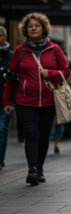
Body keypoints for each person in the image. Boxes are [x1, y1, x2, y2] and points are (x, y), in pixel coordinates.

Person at [2, 12, 70, 185]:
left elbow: (66, 71)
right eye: (30, 26)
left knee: (43, 135)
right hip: (25, 101)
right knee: (31, 134)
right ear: (26, 29)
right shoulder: (20, 50)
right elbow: (11, 77)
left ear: (43, 28)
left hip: (48, 101)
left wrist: (51, 73)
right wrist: (7, 101)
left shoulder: (55, 49)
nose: (33, 28)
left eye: (37, 25)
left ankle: (39, 167)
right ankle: (32, 169)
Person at [0, 25, 15, 170]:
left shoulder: (11, 56)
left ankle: (0, 159)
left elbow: (15, 79)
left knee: (2, 129)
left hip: (5, 101)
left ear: (5, 37)